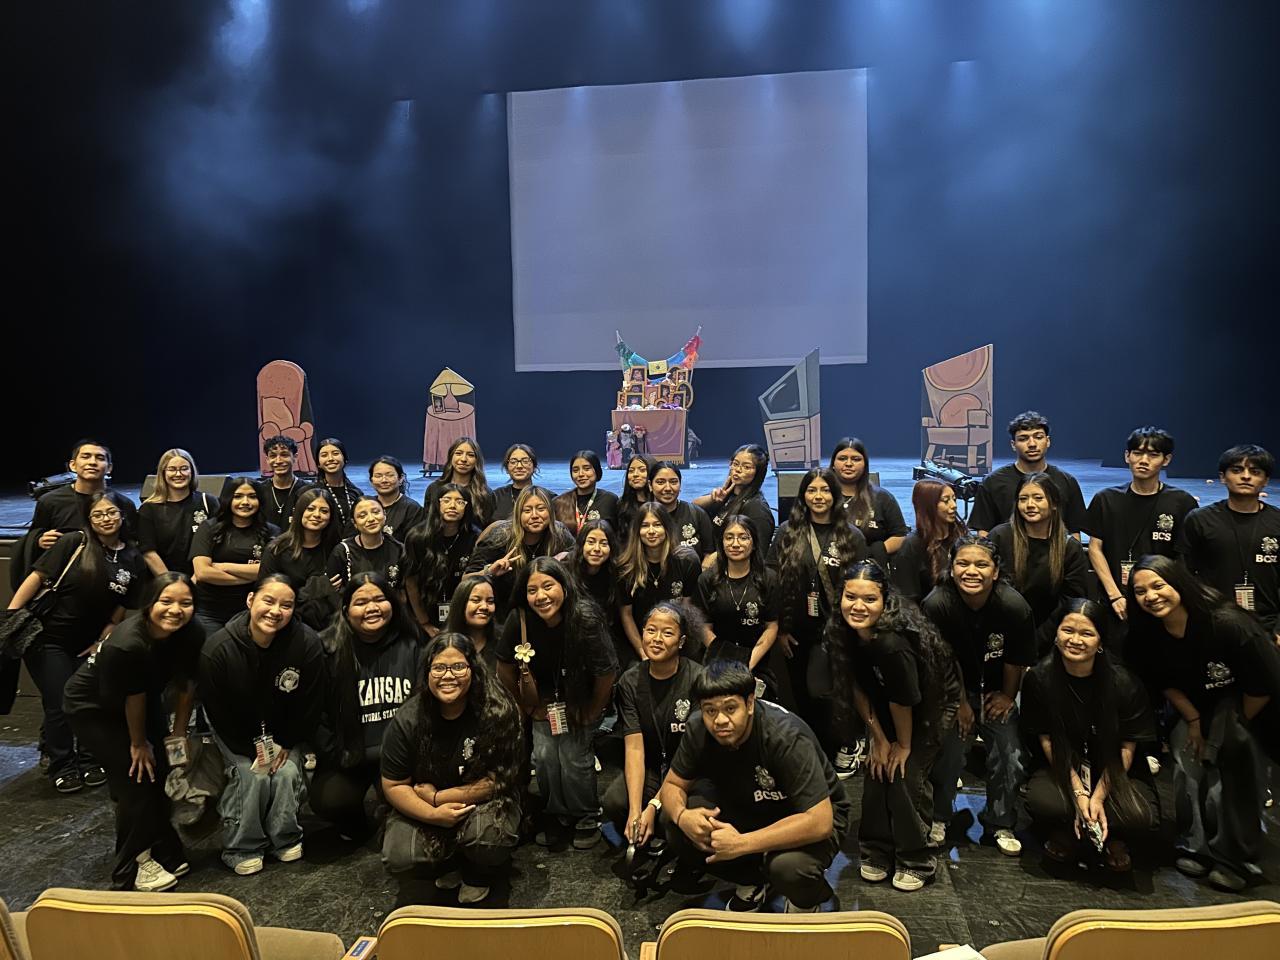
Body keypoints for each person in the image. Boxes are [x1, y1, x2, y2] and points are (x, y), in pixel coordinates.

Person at [1127, 555, 1280, 891]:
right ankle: (1194, 845)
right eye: (1140, 591)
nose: (1150, 596)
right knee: (1187, 766)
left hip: (1246, 706)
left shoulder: (1228, 623)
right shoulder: (1146, 631)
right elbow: (1160, 680)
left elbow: (1265, 683)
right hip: (1192, 707)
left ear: (1178, 583)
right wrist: (1195, 721)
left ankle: (1235, 857)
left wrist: (1226, 729)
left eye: (1158, 585)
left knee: (1232, 770)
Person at [659, 660, 853, 913]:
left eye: (730, 708)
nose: (720, 720)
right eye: (710, 710)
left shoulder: (786, 737)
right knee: (674, 823)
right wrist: (682, 816)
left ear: (750, 703)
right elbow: (672, 785)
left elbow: (820, 821)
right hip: (747, 800)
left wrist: (741, 843)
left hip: (805, 812)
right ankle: (752, 881)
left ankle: (806, 901)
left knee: (789, 868)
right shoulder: (698, 728)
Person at [62, 573, 204, 890]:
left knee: (161, 768)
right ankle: (134, 864)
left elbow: (186, 685)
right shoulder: (129, 643)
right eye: (166, 601)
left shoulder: (191, 632)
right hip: (94, 708)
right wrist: (138, 744)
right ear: (149, 603)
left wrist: (178, 733)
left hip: (141, 699)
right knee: (136, 777)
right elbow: (131, 698)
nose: (176, 610)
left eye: (185, 603)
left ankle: (162, 844)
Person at [825, 561, 960, 891]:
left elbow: (905, 700)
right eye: (850, 597)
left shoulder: (891, 642)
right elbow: (855, 686)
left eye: (869, 599)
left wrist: (902, 744)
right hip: (886, 701)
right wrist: (878, 737)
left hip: (930, 705)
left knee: (904, 775)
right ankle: (876, 849)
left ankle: (916, 858)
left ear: (885, 601)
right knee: (876, 771)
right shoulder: (840, 630)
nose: (858, 606)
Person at [10, 490, 145, 793]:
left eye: (111, 512)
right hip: (48, 638)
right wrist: (11, 616)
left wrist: (104, 635)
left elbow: (123, 603)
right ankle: (62, 764)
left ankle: (89, 758)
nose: (105, 519)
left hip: (89, 642)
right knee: (59, 703)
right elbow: (37, 577)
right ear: (89, 519)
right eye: (98, 514)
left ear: (122, 516)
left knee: (90, 701)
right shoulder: (75, 542)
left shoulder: (132, 556)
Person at [381, 633, 523, 904]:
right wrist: (433, 814)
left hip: (482, 802)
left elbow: (500, 780)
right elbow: (394, 784)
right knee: (399, 855)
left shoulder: (497, 711)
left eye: (458, 666)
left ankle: (478, 873)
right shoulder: (408, 719)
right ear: (427, 672)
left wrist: (439, 797)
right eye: (439, 668)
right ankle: (447, 864)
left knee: (489, 839)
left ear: (473, 669)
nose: (448, 676)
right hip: (427, 806)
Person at [199, 574, 325, 875]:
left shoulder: (306, 643)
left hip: (284, 731)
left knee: (287, 772)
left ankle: (285, 837)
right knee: (250, 774)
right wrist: (250, 749)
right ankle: (242, 846)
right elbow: (217, 711)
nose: (276, 611)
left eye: (286, 605)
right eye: (268, 601)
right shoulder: (218, 648)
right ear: (250, 600)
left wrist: (287, 741)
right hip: (235, 731)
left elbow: (312, 701)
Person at [1020, 599, 1156, 872]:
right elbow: (1047, 740)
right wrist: (1079, 793)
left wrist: (1098, 797)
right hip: (1063, 766)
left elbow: (1126, 749)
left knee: (1139, 816)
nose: (1075, 640)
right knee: (1044, 803)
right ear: (1056, 634)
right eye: (1068, 630)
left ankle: (1110, 837)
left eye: (1087, 633)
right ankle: (1067, 833)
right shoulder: (1039, 678)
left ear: (1101, 641)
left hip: (1113, 768)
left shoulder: (1124, 683)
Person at [922, 535, 1035, 855]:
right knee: (950, 752)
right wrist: (959, 704)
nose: (971, 571)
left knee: (1010, 754)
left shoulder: (1013, 606)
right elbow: (940, 662)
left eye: (981, 564)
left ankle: (999, 822)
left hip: (996, 691)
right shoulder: (937, 604)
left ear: (995, 571)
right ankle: (940, 816)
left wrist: (1008, 697)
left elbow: (1017, 659)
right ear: (952, 567)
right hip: (950, 692)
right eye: (963, 563)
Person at [495, 558, 617, 849]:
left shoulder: (585, 617)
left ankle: (585, 815)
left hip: (580, 699)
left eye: (548, 586)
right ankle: (557, 814)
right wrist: (525, 707)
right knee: (545, 755)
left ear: (564, 585)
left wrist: (592, 710)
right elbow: (504, 668)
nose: (541, 596)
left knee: (574, 757)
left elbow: (607, 672)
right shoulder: (519, 619)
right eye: (532, 590)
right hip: (542, 702)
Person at [313, 574, 423, 841]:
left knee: (411, 803)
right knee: (329, 800)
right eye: (361, 602)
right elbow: (316, 714)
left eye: (379, 599)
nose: (372, 608)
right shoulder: (326, 649)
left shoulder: (412, 644)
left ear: (392, 604)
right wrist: (337, 753)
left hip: (399, 757)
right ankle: (357, 826)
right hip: (349, 755)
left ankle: (391, 816)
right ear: (345, 610)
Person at [767, 468, 867, 759]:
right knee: (804, 694)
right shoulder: (787, 532)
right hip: (797, 631)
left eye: (825, 490)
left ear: (835, 495)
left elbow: (863, 585)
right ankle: (815, 754)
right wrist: (781, 629)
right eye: (812, 490)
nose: (818, 496)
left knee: (837, 693)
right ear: (803, 495)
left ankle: (843, 747)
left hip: (840, 630)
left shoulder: (852, 535)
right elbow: (772, 580)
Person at [606, 602, 705, 854]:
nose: (657, 639)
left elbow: (690, 755)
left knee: (669, 816)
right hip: (653, 766)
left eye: (667, 633)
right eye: (651, 630)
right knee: (615, 802)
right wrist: (635, 811)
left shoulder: (698, 679)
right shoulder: (629, 681)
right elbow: (634, 747)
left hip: (689, 772)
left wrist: (653, 806)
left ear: (681, 641)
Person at [1086, 427, 1200, 640]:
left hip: (1161, 602)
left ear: (1166, 460)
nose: (1144, 460)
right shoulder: (1106, 499)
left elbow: (1183, 559)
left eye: (1153, 455)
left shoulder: (1182, 502)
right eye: (1137, 453)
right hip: (1116, 603)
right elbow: (1095, 548)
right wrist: (1115, 595)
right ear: (1127, 456)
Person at [1180, 444, 1279, 640]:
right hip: (1214, 622)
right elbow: (1185, 574)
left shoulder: (1277, 521)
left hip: (1268, 626)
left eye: (1255, 472)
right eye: (1237, 470)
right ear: (1222, 477)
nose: (1246, 476)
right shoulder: (1200, 520)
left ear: (1266, 480)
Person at [988, 472, 1093, 639]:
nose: (1029, 505)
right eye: (1023, 499)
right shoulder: (999, 537)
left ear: (1054, 503)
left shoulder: (1070, 548)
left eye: (1038, 498)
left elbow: (1070, 602)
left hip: (1050, 637)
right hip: (1002, 632)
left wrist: (1039, 640)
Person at [696, 516, 780, 696]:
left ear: (754, 543)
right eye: (729, 537)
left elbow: (771, 626)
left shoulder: (769, 579)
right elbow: (704, 627)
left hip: (757, 662)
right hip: (717, 663)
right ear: (721, 542)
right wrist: (727, 664)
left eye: (743, 537)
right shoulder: (706, 580)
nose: (735, 544)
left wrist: (747, 664)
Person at [968, 411, 1088, 537]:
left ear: (1047, 441)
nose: (1032, 444)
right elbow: (983, 530)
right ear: (1013, 445)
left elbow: (1074, 531)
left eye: (1038, 437)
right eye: (1023, 439)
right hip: (1005, 549)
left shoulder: (1066, 481)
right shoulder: (993, 482)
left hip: (1055, 549)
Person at [466, 486, 576, 622]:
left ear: (550, 512)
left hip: (548, 611)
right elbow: (466, 579)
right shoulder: (501, 535)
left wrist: (567, 556)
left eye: (541, 509)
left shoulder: (559, 532)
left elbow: (578, 559)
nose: (535, 515)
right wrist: (489, 572)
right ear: (518, 514)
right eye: (527, 510)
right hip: (505, 615)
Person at [190, 478, 280, 637]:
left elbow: (270, 572)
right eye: (238, 496)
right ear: (228, 499)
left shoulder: (272, 532)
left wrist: (223, 566)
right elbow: (203, 573)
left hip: (250, 610)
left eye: (252, 496)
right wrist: (252, 575)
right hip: (208, 611)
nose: (245, 502)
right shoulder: (209, 528)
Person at [618, 503, 702, 663]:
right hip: (639, 644)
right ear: (637, 531)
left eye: (657, 525)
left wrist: (675, 649)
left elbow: (687, 610)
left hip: (677, 643)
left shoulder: (687, 561)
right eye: (645, 526)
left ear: (667, 528)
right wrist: (643, 653)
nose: (651, 531)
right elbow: (626, 614)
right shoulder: (626, 567)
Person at [30, 438, 138, 552]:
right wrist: (39, 541)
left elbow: (131, 544)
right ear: (72, 465)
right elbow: (33, 537)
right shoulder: (50, 501)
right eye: (85, 457)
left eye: (100, 458)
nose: (92, 462)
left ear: (109, 468)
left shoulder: (123, 504)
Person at [259, 488, 342, 630]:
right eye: (310, 509)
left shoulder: (337, 548)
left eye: (324, 511)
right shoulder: (277, 549)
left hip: (330, 625)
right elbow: (266, 593)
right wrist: (313, 590)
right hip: (287, 622)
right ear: (299, 512)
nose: (317, 515)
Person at [403, 484, 480, 636]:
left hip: (464, 612)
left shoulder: (474, 537)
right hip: (425, 612)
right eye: (446, 500)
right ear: (437, 504)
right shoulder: (418, 537)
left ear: (467, 507)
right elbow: (411, 582)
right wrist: (424, 622)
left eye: (460, 501)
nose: (452, 506)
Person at [137, 448, 218, 576]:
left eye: (184, 468)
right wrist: (172, 583)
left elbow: (218, 544)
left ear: (192, 471)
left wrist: (200, 576)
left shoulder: (208, 502)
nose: (179, 474)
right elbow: (148, 552)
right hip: (167, 581)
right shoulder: (149, 509)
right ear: (163, 473)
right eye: (172, 469)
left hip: (203, 579)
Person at [829, 438, 909, 565]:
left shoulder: (883, 498)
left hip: (868, 569)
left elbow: (900, 536)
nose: (848, 464)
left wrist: (873, 552)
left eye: (856, 459)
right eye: (842, 458)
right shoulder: (820, 497)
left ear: (865, 465)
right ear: (833, 463)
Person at [890, 480, 966, 603]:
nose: (954, 505)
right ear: (928, 506)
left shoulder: (962, 536)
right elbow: (907, 597)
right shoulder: (912, 545)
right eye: (946, 500)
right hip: (926, 611)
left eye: (954, 499)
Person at [694, 444, 776, 557]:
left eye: (746, 467)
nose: (738, 470)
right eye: (735, 464)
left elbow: (758, 554)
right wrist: (712, 499)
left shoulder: (757, 509)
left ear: (758, 473)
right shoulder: (726, 494)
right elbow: (693, 510)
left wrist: (714, 558)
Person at [571, 519, 626, 665]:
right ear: (581, 544)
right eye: (591, 542)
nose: (597, 548)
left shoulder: (617, 575)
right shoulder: (566, 570)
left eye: (603, 544)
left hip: (607, 643)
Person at [328, 497, 405, 592]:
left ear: (384, 515)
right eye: (362, 516)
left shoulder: (399, 549)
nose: (371, 519)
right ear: (354, 523)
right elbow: (333, 590)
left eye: (376, 512)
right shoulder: (342, 551)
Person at [649, 461, 716, 562]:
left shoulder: (697, 514)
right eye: (660, 482)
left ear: (680, 485)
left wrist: (703, 569)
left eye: (673, 482)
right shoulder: (642, 517)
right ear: (650, 485)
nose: (668, 488)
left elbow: (709, 554)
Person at [424, 437, 495, 529]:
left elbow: (488, 528)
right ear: (451, 456)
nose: (463, 459)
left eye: (470, 455)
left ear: (477, 460)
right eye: (458, 453)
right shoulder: (434, 488)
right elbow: (428, 523)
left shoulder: (485, 493)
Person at [253, 435, 316, 531]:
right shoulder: (259, 490)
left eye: (284, 455)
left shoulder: (309, 490)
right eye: (273, 456)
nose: (278, 461)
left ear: (295, 457)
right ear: (267, 460)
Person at [552, 450, 619, 534]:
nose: (580, 474)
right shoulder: (559, 502)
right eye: (575, 470)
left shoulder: (610, 500)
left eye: (587, 469)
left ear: (597, 470)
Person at [443, 574, 499, 670]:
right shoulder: (443, 645)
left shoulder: (502, 643)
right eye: (476, 600)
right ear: (461, 604)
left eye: (490, 601)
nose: (484, 607)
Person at [315, 437, 365, 538]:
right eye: (324, 455)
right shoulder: (311, 493)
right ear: (318, 463)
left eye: (335, 453)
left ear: (345, 459)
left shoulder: (356, 493)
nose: (330, 459)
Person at [369, 455, 424, 542]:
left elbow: (414, 544)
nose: (384, 480)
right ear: (371, 481)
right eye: (378, 476)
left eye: (390, 475)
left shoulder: (413, 509)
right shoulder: (366, 506)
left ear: (400, 479)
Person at [491, 443, 538, 523]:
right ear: (507, 468)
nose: (519, 466)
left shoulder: (548, 497)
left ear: (534, 467)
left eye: (525, 461)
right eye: (513, 462)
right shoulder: (495, 497)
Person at [616, 454, 658, 543]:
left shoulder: (660, 503)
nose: (635, 474)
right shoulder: (622, 504)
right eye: (631, 471)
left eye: (642, 470)